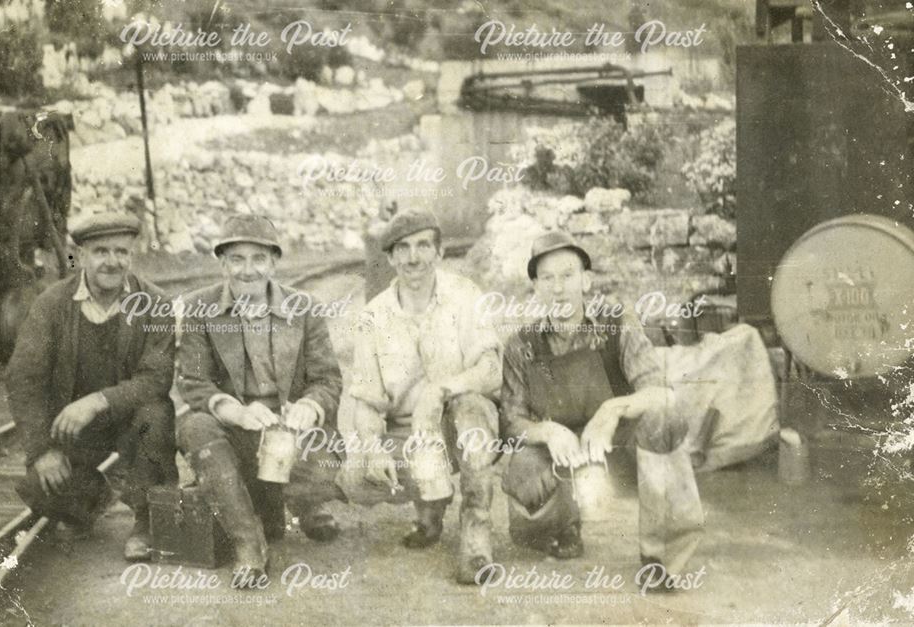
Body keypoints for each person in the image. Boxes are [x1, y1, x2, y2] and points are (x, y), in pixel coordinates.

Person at [500, 231, 704, 588]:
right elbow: (511, 421)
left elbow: (661, 394)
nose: (558, 288)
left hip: (616, 450)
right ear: (535, 286)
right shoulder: (521, 345)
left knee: (664, 421)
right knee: (524, 470)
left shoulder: (617, 325)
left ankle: (661, 559)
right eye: (547, 278)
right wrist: (548, 431)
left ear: (586, 280)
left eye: (567, 275)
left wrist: (612, 410)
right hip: (561, 455)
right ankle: (563, 526)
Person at [175, 215, 343, 588]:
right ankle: (248, 543)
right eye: (237, 259)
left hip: (289, 432)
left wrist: (309, 407)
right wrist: (234, 411)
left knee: (319, 466)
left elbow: (327, 379)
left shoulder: (305, 308)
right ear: (222, 263)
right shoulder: (199, 310)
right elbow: (193, 381)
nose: (247, 270)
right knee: (195, 426)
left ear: (273, 263)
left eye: (258, 259)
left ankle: (302, 503)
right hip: (238, 429)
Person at [341, 208, 503, 585]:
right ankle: (429, 511)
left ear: (439, 253)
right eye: (404, 248)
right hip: (409, 433)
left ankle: (476, 536)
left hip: (460, 419)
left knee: (471, 412)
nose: (414, 257)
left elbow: (491, 370)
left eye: (423, 246)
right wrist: (372, 446)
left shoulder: (465, 295)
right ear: (391, 257)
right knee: (355, 478)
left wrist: (442, 390)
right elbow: (366, 399)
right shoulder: (373, 316)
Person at [8, 212, 178, 561]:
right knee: (40, 488)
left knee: (156, 415)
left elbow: (157, 379)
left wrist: (98, 401)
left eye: (121, 252)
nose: (113, 262)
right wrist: (41, 450)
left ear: (132, 255)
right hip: (74, 430)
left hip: (129, 421)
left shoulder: (154, 303)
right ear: (81, 255)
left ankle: (145, 521)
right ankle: (91, 497)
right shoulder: (52, 304)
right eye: (101, 251)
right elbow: (24, 379)